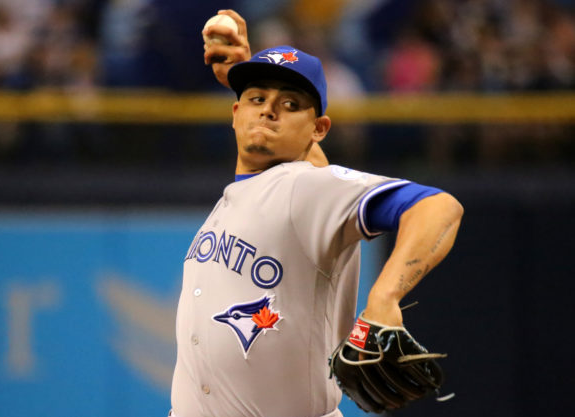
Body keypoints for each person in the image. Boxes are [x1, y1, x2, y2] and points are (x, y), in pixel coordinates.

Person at [170, 9, 463, 417]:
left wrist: (384, 296)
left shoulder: (305, 188)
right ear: (235, 115)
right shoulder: (252, 193)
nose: (269, 110)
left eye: (290, 104)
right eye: (257, 99)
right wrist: (246, 70)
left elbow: (439, 208)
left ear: (319, 128)